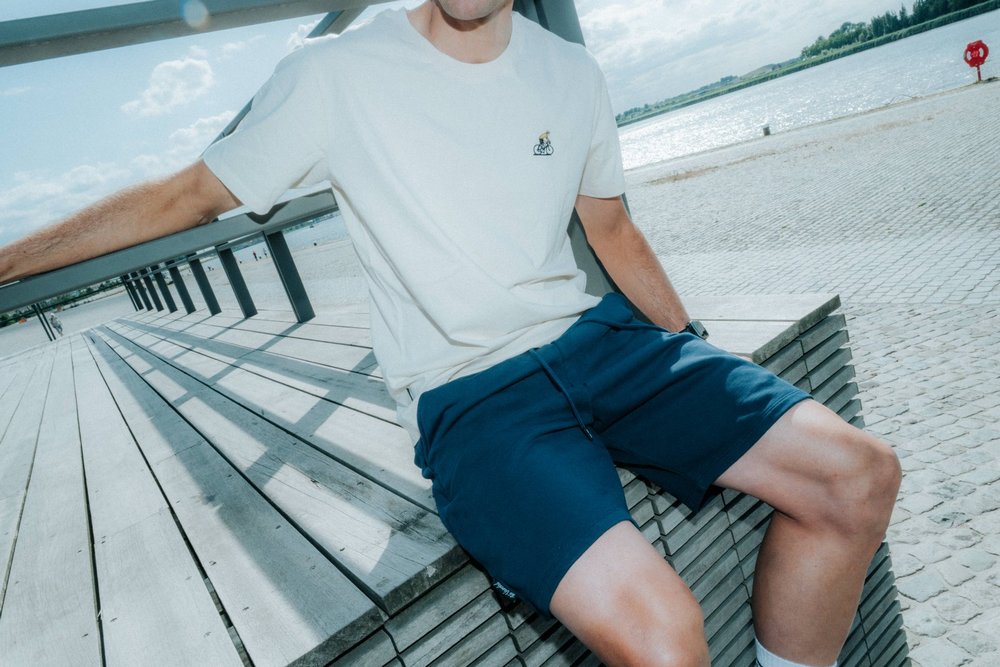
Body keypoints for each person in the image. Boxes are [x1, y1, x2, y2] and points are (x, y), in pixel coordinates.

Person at [0, 2, 900, 665]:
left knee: (857, 475)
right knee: (668, 640)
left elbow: (612, 229)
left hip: (602, 343)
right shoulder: (336, 74)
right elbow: (186, 196)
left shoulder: (570, 72)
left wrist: (694, 349)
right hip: (474, 397)